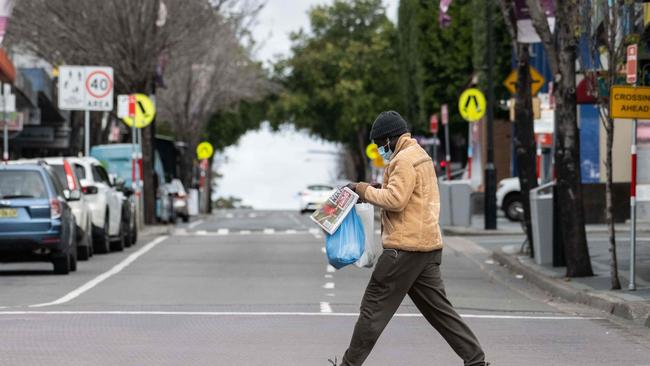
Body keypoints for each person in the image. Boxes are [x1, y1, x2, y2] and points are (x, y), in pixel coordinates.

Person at [330, 111, 489, 366]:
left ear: (391, 138)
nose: (380, 149)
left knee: (372, 308)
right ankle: (476, 360)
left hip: (403, 250)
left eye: (380, 144)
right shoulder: (421, 157)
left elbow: (396, 200)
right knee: (440, 312)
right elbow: (410, 196)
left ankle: (349, 364)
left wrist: (362, 189)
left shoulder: (403, 159)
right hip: (427, 248)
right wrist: (375, 190)